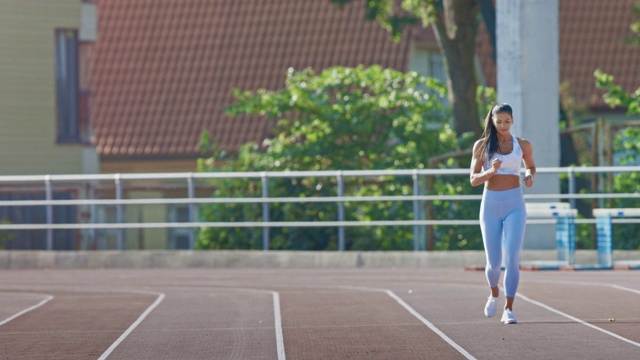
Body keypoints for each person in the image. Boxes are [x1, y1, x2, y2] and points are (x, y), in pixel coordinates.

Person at [469, 103, 536, 324]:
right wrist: (491, 171)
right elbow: (473, 180)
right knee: (494, 262)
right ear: (493, 121)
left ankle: (509, 308)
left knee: (512, 259)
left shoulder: (523, 144)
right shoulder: (482, 145)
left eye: (507, 121)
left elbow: (531, 166)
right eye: (499, 122)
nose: (503, 125)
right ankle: (494, 294)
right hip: (490, 204)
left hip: (515, 202)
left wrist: (529, 175)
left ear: (512, 121)